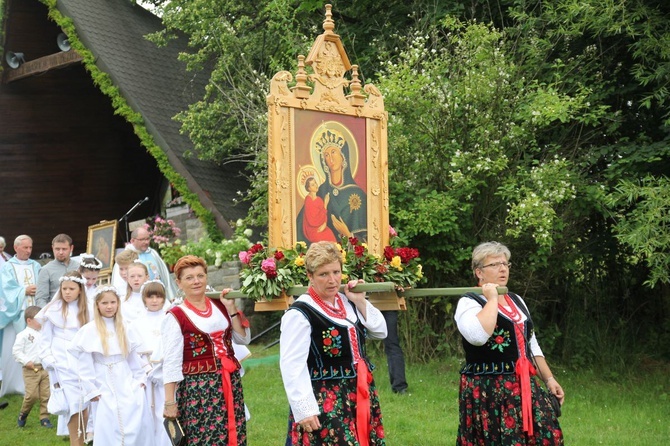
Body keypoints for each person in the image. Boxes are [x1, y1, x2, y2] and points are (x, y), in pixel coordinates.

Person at [454, 241, 564, 445]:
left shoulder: (517, 300)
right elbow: (478, 336)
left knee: (547, 436)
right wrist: (492, 299)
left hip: (523, 385)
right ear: (479, 272)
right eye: (494, 265)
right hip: (489, 389)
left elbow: (531, 346)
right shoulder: (468, 302)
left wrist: (549, 379)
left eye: (505, 263)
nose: (503, 268)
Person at [279, 241, 387, 445]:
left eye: (336, 272)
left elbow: (380, 331)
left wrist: (360, 301)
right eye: (323, 274)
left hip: (358, 391)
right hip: (325, 397)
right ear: (310, 276)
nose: (332, 280)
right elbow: (292, 365)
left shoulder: (346, 301)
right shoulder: (300, 313)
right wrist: (304, 409)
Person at [161, 255, 250, 446]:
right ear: (179, 282)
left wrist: (232, 308)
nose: (196, 281)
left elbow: (243, 338)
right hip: (198, 388)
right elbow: (171, 361)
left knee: (233, 433)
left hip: (229, 381)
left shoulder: (221, 304)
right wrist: (169, 402)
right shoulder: (176, 315)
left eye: (200, 276)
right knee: (205, 438)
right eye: (189, 277)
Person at [36, 271, 91, 443]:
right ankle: (76, 440)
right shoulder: (53, 310)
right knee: (72, 405)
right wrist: (50, 360)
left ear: (80, 290)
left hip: (83, 363)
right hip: (62, 365)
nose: (67, 292)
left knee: (85, 403)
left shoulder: (88, 310)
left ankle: (84, 437)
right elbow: (44, 340)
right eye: (64, 288)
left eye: (71, 288)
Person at [297, 127, 368, 242]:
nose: (330, 158)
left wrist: (349, 235)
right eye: (326, 155)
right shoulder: (320, 191)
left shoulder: (358, 194)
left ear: (343, 156)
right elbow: (302, 227)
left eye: (333, 152)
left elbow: (370, 242)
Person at [0, 234, 41, 398]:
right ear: (16, 248)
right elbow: (4, 289)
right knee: (16, 347)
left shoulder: (36, 265)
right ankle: (15, 384)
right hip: (17, 313)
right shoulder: (7, 267)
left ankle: (36, 382)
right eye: (25, 247)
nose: (29, 251)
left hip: (35, 312)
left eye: (30, 247)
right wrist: (23, 291)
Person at [131, 280, 171, 446]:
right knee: (149, 409)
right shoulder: (136, 323)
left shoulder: (170, 318)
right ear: (144, 298)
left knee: (166, 407)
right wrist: (147, 369)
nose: (154, 300)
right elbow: (133, 351)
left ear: (163, 298)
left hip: (167, 371)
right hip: (147, 373)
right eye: (150, 297)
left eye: (158, 296)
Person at [12, 305, 52, 428]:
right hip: (31, 369)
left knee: (46, 394)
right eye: (38, 319)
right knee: (32, 395)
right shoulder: (23, 335)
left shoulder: (44, 333)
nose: (42, 322)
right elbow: (16, 351)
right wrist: (26, 361)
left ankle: (44, 417)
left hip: (44, 368)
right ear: (29, 320)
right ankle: (23, 413)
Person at [111, 227, 176, 301]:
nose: (146, 242)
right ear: (132, 240)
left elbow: (164, 276)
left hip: (158, 296)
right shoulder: (126, 257)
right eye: (142, 239)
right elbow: (120, 283)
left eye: (148, 239)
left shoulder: (152, 253)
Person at [36, 234, 80, 308]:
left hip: (78, 311)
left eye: (64, 249)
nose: (60, 252)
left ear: (71, 248)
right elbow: (41, 299)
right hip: (56, 311)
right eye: (57, 249)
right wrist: (49, 315)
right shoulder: (46, 270)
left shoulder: (79, 267)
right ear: (52, 248)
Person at [302, 176, 337, 243]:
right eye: (312, 185)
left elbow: (324, 215)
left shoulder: (319, 200)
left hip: (321, 226)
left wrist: (324, 224)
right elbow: (311, 220)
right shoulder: (308, 200)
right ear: (309, 188)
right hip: (313, 229)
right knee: (323, 241)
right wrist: (325, 204)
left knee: (330, 235)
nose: (316, 185)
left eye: (315, 183)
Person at [381, 310, 408, 394]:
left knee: (392, 344)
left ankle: (399, 387)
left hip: (388, 303)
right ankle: (399, 387)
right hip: (361, 302)